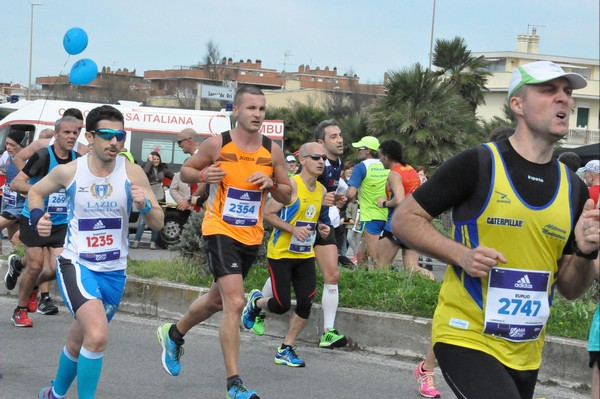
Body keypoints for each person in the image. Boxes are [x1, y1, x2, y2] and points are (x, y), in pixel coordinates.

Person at [393, 60, 598, 399]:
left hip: (526, 350)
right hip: (465, 334)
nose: (564, 99)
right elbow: (404, 219)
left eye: (567, 91)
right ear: (517, 104)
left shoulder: (572, 188)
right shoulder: (480, 163)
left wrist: (585, 253)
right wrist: (461, 255)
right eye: (549, 90)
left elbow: (572, 288)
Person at [155, 85, 292, 399]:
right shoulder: (218, 144)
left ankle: (173, 333)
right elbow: (187, 171)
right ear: (236, 111)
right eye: (251, 108)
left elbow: (287, 194)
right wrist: (204, 177)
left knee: (217, 301)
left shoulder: (272, 151)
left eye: (262, 109)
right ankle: (234, 384)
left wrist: (272, 183)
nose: (257, 114)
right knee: (233, 302)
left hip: (251, 234)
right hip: (219, 230)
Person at [35, 105, 163, 399]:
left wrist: (144, 206)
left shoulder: (132, 173)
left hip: (114, 271)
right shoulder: (70, 171)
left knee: (80, 339)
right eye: (107, 135)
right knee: (98, 335)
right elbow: (34, 191)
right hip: (76, 264)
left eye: (120, 135)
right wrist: (36, 217)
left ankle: (54, 394)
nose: (115, 142)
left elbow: (158, 221)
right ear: (90, 137)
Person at [242, 142, 330, 368]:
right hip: (281, 253)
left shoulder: (321, 190)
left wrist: (319, 228)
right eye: (316, 157)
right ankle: (255, 303)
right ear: (302, 160)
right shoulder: (291, 185)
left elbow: (308, 219)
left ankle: (285, 348)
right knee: (280, 305)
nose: (321, 161)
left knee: (305, 302)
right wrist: (292, 229)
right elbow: (268, 214)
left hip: (304, 255)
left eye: (323, 158)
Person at [8, 115, 82, 326]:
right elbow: (16, 183)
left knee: (56, 268)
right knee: (35, 265)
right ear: (56, 135)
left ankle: (28, 284)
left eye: (75, 133)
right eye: (67, 132)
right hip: (35, 216)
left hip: (60, 221)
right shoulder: (42, 156)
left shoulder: (78, 160)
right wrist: (40, 190)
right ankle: (20, 310)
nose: (71, 136)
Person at [376, 139, 432, 278]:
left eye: (380, 156)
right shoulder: (411, 170)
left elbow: (399, 200)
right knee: (412, 268)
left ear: (387, 157)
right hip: (413, 223)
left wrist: (384, 203)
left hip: (396, 223)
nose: (379, 160)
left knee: (381, 266)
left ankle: (383, 297)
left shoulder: (394, 174)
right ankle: (432, 283)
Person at [347, 135, 389, 267]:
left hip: (370, 215)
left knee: (376, 258)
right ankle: (362, 283)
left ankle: (383, 284)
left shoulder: (361, 167)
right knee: (361, 255)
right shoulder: (386, 165)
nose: (357, 150)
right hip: (387, 212)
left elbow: (351, 193)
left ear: (367, 150)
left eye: (360, 148)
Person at [12, 108, 88, 171]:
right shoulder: (40, 145)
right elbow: (18, 158)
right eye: (68, 131)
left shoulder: (84, 151)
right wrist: (27, 181)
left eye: (79, 129)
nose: (76, 133)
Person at [131, 151, 173, 249]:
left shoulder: (163, 169)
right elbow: (144, 173)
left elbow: (174, 177)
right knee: (143, 220)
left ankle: (153, 243)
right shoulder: (146, 167)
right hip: (148, 195)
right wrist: (149, 162)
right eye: (154, 159)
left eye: (158, 159)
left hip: (159, 197)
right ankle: (136, 241)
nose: (156, 161)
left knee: (156, 219)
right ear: (150, 159)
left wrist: (167, 186)